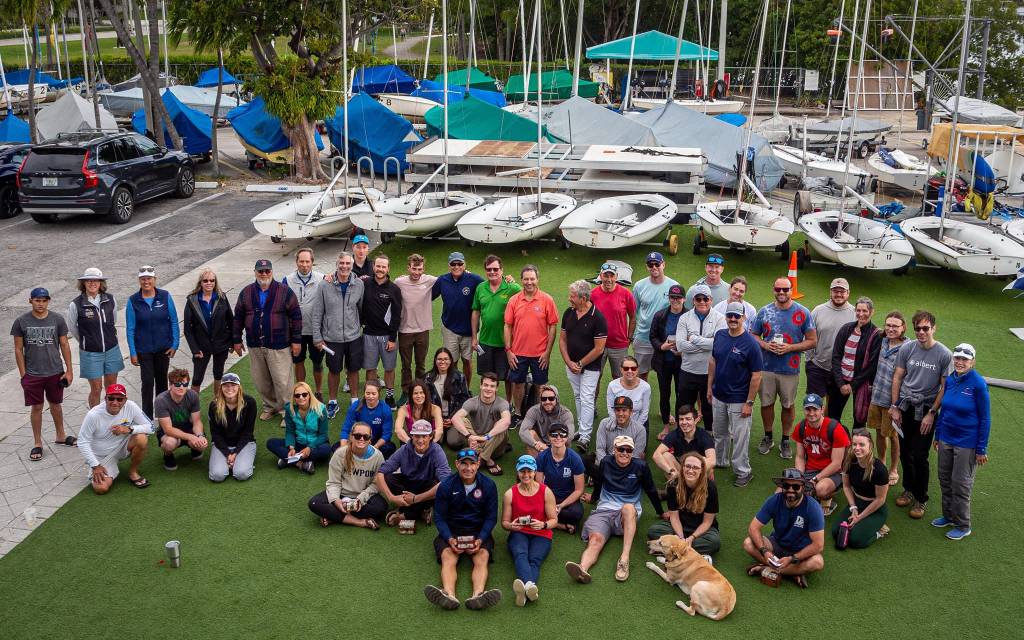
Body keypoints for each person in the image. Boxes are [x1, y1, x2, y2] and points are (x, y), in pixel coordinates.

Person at [566, 435, 663, 583]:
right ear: (614, 449)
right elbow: (599, 482)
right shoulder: (606, 462)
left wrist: (661, 512)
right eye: (621, 449)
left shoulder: (641, 466)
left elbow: (651, 490)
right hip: (605, 509)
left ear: (632, 452)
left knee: (628, 507)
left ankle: (624, 559)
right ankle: (582, 569)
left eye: (628, 450)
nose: (624, 453)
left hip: (627, 516)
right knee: (595, 539)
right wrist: (593, 499)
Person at [889, 310, 952, 519]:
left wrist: (932, 413)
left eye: (926, 328)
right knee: (905, 451)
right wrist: (895, 406)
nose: (921, 332)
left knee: (920, 455)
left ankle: (921, 497)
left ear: (934, 328)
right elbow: (898, 377)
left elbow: (944, 387)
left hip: (926, 409)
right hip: (905, 406)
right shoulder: (907, 348)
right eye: (918, 328)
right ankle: (908, 489)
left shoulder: (944, 354)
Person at [424, 448, 502, 611]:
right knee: (448, 556)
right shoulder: (446, 485)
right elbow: (440, 518)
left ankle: (478, 595)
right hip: (453, 530)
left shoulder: (489, 485)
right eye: (464, 464)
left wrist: (481, 538)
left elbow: (491, 518)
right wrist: (450, 538)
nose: (468, 468)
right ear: (457, 464)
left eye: (472, 464)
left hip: (478, 531)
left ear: (478, 464)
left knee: (482, 556)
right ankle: (449, 594)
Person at [749, 276, 817, 460]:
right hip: (766, 367)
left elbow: (812, 341)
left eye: (785, 289)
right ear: (773, 290)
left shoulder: (803, 312)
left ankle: (785, 439)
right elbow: (753, 335)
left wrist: (790, 348)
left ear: (791, 290)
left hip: (789, 369)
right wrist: (765, 345)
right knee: (766, 403)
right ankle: (768, 436)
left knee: (788, 404)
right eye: (778, 289)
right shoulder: (764, 311)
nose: (781, 292)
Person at [232, 259, 303, 421]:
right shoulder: (246, 292)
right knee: (262, 380)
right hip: (255, 344)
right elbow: (238, 317)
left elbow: (296, 316)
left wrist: (296, 340)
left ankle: (288, 412)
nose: (264, 274)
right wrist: (236, 340)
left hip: (279, 344)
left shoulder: (284, 291)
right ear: (255, 272)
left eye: (267, 271)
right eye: (260, 271)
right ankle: (270, 407)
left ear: (271, 271)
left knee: (282, 381)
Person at [932, 343, 990, 541]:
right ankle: (949, 516)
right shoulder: (950, 379)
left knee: (960, 484)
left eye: (965, 359)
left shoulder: (978, 384)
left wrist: (981, 448)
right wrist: (938, 435)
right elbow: (944, 410)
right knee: (944, 478)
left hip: (967, 442)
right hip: (946, 438)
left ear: (972, 362)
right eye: (957, 358)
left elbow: (985, 419)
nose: (960, 362)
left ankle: (963, 525)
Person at [13, 287, 75, 461]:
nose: (41, 304)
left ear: (48, 301)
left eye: (44, 300)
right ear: (30, 301)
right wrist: (23, 374)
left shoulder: (57, 319)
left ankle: (61, 436)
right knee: (37, 407)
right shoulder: (21, 321)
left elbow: (64, 344)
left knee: (56, 404)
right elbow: (18, 349)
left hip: (55, 371)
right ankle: (38, 443)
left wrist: (69, 370)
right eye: (37, 300)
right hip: (33, 373)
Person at [707, 301, 763, 487]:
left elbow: (757, 375)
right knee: (719, 432)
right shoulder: (720, 335)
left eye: (736, 316)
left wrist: (749, 402)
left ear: (743, 318)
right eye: (730, 315)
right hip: (719, 395)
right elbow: (713, 362)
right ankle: (720, 460)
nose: (733, 319)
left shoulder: (751, 344)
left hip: (739, 400)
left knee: (740, 438)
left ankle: (743, 471)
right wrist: (709, 388)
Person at [743, 468, 825, 588]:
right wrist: (764, 551)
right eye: (786, 486)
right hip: (778, 544)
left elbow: (818, 545)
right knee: (748, 544)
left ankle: (766, 568)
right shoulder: (774, 500)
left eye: (795, 487)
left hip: (800, 552)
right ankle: (793, 572)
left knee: (817, 562)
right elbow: (753, 528)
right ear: (782, 487)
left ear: (803, 487)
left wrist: (792, 558)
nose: (790, 490)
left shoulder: (813, 508)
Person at [311, 251, 364, 418]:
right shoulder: (324, 285)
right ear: (336, 264)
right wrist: (317, 337)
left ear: (352, 265)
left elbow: (360, 308)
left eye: (348, 263)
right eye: (341, 263)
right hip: (332, 338)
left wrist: (357, 327)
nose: (344, 266)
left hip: (353, 336)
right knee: (334, 370)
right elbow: (317, 313)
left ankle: (354, 400)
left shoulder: (359, 284)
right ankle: (333, 402)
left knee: (353, 369)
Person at [308, 421, 388, 529]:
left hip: (363, 496)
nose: (362, 439)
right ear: (351, 436)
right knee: (314, 503)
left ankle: (334, 516)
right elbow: (334, 482)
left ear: (370, 439)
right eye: (358, 436)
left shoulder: (378, 457)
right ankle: (359, 522)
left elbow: (376, 484)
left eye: (366, 436)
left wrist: (360, 500)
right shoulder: (340, 454)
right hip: (341, 493)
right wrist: (336, 501)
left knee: (381, 507)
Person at [501, 454, 558, 606]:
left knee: (534, 559)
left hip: (542, 533)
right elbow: (504, 523)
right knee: (521, 554)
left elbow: (554, 520)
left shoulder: (546, 491)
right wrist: (511, 526)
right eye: (522, 471)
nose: (526, 475)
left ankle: (525, 591)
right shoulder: (509, 494)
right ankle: (530, 587)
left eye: (529, 471)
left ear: (535, 472)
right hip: (519, 532)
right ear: (518, 472)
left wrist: (543, 525)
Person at [504, 264, 559, 418]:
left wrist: (547, 352)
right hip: (518, 353)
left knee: (540, 385)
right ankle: (518, 413)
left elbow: (553, 326)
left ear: (537, 279)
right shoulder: (514, 300)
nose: (529, 282)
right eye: (526, 279)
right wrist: (508, 351)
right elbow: (507, 326)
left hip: (540, 354)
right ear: (521, 280)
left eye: (532, 279)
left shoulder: (547, 300)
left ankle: (539, 414)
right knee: (518, 384)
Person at [126, 265, 179, 419]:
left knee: (162, 383)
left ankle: (163, 416)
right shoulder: (133, 300)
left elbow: (174, 321)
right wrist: (133, 352)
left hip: (163, 349)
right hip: (144, 350)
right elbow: (130, 329)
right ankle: (147, 418)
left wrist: (175, 344)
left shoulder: (165, 296)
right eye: (143, 279)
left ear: (154, 279)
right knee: (147, 383)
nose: (146, 281)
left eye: (149, 278)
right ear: (139, 281)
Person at [78, 383, 153, 493]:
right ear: (105, 398)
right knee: (101, 488)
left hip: (122, 446)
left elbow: (151, 427)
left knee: (142, 438)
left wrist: (129, 429)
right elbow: (82, 441)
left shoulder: (131, 406)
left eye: (119, 399)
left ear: (125, 400)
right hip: (101, 456)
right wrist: (95, 465)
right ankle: (109, 468)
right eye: (111, 398)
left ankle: (133, 472)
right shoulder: (93, 415)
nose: (115, 402)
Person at [558, 279, 606, 448]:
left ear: (583, 298)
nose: (569, 298)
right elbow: (562, 340)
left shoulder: (598, 318)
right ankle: (581, 429)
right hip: (571, 365)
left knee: (586, 398)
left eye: (572, 296)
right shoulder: (568, 313)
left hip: (590, 367)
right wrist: (569, 362)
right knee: (578, 396)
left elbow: (599, 349)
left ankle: (585, 436)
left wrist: (579, 364)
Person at [646, 452, 722, 557]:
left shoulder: (710, 487)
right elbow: (674, 517)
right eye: (688, 466)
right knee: (654, 531)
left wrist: (692, 537)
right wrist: (681, 537)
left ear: (701, 470)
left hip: (701, 530)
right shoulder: (673, 484)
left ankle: (673, 549)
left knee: (714, 542)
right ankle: (683, 550)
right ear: (682, 468)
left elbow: (707, 522)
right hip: (679, 526)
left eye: (695, 467)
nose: (690, 470)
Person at [68, 267, 124, 408]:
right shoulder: (76, 304)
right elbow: (72, 327)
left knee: (111, 387)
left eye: (96, 280)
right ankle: (94, 417)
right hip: (90, 353)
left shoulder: (110, 299)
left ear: (101, 283)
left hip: (111, 349)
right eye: (89, 280)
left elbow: (113, 320)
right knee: (96, 389)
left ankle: (110, 414)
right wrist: (86, 340)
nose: (92, 283)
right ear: (83, 283)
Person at [376, 419, 451, 524]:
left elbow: (446, 481)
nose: (420, 440)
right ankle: (422, 510)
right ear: (412, 436)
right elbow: (380, 473)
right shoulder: (404, 449)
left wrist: (415, 498)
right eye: (417, 436)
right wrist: (391, 498)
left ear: (430, 436)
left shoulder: (437, 451)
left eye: (424, 436)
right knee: (388, 477)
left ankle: (405, 515)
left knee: (439, 486)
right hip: (408, 485)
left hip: (426, 486)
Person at [675, 284, 725, 431]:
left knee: (709, 407)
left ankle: (709, 437)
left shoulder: (720, 318)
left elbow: (718, 344)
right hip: (687, 371)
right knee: (684, 407)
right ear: (693, 300)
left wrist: (693, 339)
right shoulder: (684, 318)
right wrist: (708, 343)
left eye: (705, 299)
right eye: (698, 299)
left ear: (711, 300)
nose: (702, 302)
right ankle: (681, 436)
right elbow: (681, 346)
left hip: (709, 373)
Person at [867, 311, 908, 486]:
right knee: (879, 431)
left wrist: (897, 404)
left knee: (893, 436)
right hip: (877, 396)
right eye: (888, 325)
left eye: (895, 326)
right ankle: (882, 463)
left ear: (903, 328)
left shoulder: (908, 347)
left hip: (894, 402)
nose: (891, 329)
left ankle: (893, 469)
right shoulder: (882, 341)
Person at [472, 254, 521, 398]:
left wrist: (514, 281)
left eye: (495, 269)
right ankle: (487, 401)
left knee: (507, 376)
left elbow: (527, 295)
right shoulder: (481, 288)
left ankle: (509, 404)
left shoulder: (512, 287)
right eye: (489, 269)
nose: (492, 272)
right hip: (485, 341)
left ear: (502, 270)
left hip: (506, 342)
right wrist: (474, 337)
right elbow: (476, 311)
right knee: (486, 376)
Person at [792, 393, 850, 515]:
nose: (811, 413)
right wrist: (799, 477)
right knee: (786, 487)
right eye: (808, 409)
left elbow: (837, 464)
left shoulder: (835, 428)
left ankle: (827, 498)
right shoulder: (800, 427)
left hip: (833, 472)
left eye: (815, 409)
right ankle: (810, 497)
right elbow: (800, 457)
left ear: (822, 409)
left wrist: (815, 479)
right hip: (811, 469)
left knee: (820, 489)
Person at [832, 428, 890, 549]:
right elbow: (846, 486)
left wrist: (859, 518)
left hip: (875, 508)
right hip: (856, 503)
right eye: (854, 444)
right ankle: (862, 523)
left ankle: (880, 531)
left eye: (862, 444)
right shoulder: (849, 461)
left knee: (856, 540)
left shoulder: (880, 470)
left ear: (870, 445)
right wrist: (853, 508)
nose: (857, 448)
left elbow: (880, 499)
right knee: (836, 532)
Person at [828, 296, 881, 427]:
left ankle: (857, 441)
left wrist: (852, 386)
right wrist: (841, 384)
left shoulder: (876, 335)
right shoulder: (846, 329)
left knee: (859, 419)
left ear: (872, 312)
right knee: (833, 417)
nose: (861, 314)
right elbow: (836, 356)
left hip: (861, 383)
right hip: (840, 380)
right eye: (858, 310)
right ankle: (839, 439)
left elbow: (872, 366)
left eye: (865, 311)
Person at [433, 251, 484, 386]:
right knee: (452, 361)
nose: (456, 266)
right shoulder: (442, 280)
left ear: (464, 264)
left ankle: (466, 388)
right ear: (449, 265)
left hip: (469, 330)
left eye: (459, 264)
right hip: (449, 328)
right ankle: (454, 388)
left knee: (467, 361)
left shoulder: (474, 279)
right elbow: (429, 295)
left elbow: (490, 285)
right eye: (453, 264)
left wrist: (507, 280)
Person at [282, 247, 327, 400]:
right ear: (296, 262)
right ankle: (301, 392)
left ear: (312, 262)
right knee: (298, 362)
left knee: (317, 363)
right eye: (301, 261)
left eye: (307, 261)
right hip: (296, 331)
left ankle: (318, 392)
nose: (304, 265)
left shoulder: (322, 278)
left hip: (316, 330)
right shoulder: (287, 280)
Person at [183, 268, 234, 397]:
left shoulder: (222, 297)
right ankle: (193, 405)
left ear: (215, 282)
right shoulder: (192, 300)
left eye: (212, 280)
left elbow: (231, 321)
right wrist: (194, 349)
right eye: (205, 280)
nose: (209, 283)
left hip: (221, 344)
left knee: (218, 374)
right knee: (197, 378)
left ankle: (218, 403)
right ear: (200, 282)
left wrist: (233, 341)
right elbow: (187, 329)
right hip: (201, 346)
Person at [450, 372, 512, 474]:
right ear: (480, 385)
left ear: (496, 388)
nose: (488, 388)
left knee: (501, 426)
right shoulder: (472, 402)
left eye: (492, 386)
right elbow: (455, 418)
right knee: (462, 420)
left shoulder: (502, 403)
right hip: (475, 441)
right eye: (486, 385)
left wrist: (486, 437)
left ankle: (481, 459)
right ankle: (488, 460)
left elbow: (507, 421)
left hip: (493, 443)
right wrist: (470, 436)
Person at [362, 255, 403, 407]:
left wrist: (392, 338)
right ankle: (372, 396)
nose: (380, 269)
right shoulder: (365, 284)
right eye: (378, 266)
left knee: (389, 368)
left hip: (387, 336)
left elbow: (396, 315)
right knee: (370, 368)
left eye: (383, 267)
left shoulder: (394, 289)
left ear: (388, 269)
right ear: (373, 267)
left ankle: (389, 396)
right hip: (369, 334)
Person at [395, 253, 437, 399]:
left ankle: (420, 390)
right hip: (405, 330)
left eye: (419, 269)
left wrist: (466, 273)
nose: (417, 272)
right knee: (406, 365)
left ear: (423, 269)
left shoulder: (430, 280)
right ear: (408, 268)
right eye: (414, 269)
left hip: (422, 330)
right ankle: (406, 391)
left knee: (421, 364)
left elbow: (448, 279)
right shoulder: (399, 282)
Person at [631, 251, 678, 382]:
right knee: (641, 374)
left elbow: (678, 311)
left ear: (663, 264)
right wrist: (632, 335)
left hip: (665, 338)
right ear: (647, 266)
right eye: (650, 265)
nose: (654, 267)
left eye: (657, 264)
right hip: (643, 337)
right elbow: (634, 312)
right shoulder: (639, 286)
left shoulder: (674, 286)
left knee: (664, 375)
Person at [267, 381, 332, 474]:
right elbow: (290, 432)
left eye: (304, 394)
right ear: (294, 397)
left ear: (309, 395)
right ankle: (301, 463)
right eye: (297, 395)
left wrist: (309, 448)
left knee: (326, 450)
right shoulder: (289, 409)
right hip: (298, 443)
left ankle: (287, 460)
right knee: (271, 443)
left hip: (315, 444)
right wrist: (291, 447)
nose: (301, 397)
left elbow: (323, 435)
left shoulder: (320, 409)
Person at [806, 278, 856, 398]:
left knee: (833, 407)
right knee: (814, 403)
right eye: (835, 291)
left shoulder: (855, 313)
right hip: (818, 366)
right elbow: (808, 336)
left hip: (842, 370)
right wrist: (810, 360)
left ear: (848, 293)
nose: (838, 294)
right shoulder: (818, 311)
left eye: (842, 291)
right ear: (830, 292)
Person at [649, 284, 686, 440]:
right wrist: (661, 346)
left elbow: (694, 337)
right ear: (669, 298)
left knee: (681, 395)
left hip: (682, 363)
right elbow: (652, 336)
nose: (675, 300)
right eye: (672, 297)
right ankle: (665, 427)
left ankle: (678, 426)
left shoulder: (690, 315)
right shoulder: (660, 315)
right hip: (664, 361)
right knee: (665, 394)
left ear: (684, 299)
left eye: (678, 297)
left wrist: (683, 349)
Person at [535, 423, 586, 534]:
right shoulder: (542, 457)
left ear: (566, 437)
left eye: (562, 434)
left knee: (576, 513)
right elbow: (539, 485)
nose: (558, 437)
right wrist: (549, 503)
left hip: (567, 498)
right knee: (532, 506)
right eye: (554, 434)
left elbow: (579, 490)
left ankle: (548, 518)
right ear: (549, 437)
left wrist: (561, 506)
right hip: (548, 496)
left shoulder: (575, 458)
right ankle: (560, 525)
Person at [590, 262, 636, 382]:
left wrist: (629, 338)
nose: (609, 279)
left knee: (619, 378)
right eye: (606, 276)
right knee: (594, 378)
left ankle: (619, 396)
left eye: (612, 276)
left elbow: (633, 317)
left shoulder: (626, 294)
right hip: (597, 344)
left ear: (617, 277)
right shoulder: (592, 295)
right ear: (601, 276)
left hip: (619, 345)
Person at [155, 368, 208, 471]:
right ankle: (168, 455)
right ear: (170, 385)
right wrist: (191, 437)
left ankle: (195, 449)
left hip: (188, 427)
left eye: (185, 384)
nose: (181, 387)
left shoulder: (193, 395)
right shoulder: (161, 400)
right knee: (169, 443)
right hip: (170, 431)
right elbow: (168, 429)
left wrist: (199, 436)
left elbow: (196, 421)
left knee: (202, 445)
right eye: (177, 384)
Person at [585, 396, 647, 481]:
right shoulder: (604, 424)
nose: (620, 414)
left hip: (627, 463)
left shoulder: (640, 430)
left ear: (631, 412)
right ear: (614, 411)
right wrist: (608, 466)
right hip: (607, 462)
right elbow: (600, 449)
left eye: (624, 410)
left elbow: (635, 456)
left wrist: (619, 468)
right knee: (584, 460)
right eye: (618, 410)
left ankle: (602, 478)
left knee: (639, 466)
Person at [651, 405, 716, 482]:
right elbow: (656, 455)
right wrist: (670, 471)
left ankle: (691, 484)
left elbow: (712, 461)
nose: (684, 422)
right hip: (681, 469)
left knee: (706, 462)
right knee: (665, 455)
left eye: (688, 419)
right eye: (681, 419)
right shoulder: (674, 434)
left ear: (696, 420)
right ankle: (679, 484)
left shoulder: (704, 436)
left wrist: (693, 472)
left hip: (697, 471)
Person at [340, 380, 396, 459]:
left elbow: (387, 434)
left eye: (373, 394)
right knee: (336, 447)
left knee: (390, 448)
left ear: (379, 394)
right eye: (368, 393)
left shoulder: (385, 409)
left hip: (376, 441)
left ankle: (368, 457)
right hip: (358, 439)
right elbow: (346, 429)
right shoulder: (355, 406)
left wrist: (375, 448)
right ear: (364, 393)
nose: (370, 396)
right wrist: (343, 449)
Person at [424, 347, 472, 440]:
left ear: (450, 361)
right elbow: (425, 402)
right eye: (440, 359)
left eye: (446, 359)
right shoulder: (428, 378)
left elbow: (465, 399)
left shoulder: (460, 377)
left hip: (454, 417)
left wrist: (453, 418)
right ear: (435, 360)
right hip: (434, 418)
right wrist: (437, 418)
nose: (443, 362)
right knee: (436, 439)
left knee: (454, 442)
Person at [519, 384, 575, 457]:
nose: (547, 401)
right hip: (541, 444)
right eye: (544, 399)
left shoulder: (566, 413)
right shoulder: (533, 411)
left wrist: (552, 447)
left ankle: (559, 460)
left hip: (559, 442)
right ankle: (538, 462)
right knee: (530, 434)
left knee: (565, 439)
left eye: (551, 398)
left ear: (557, 399)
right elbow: (522, 431)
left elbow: (570, 436)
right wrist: (536, 444)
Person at [604, 356, 651, 440]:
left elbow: (644, 412)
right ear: (621, 369)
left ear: (637, 369)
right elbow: (610, 409)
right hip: (618, 422)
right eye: (626, 368)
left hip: (638, 424)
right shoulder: (612, 385)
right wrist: (619, 426)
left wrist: (635, 429)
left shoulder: (645, 387)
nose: (630, 371)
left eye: (633, 368)